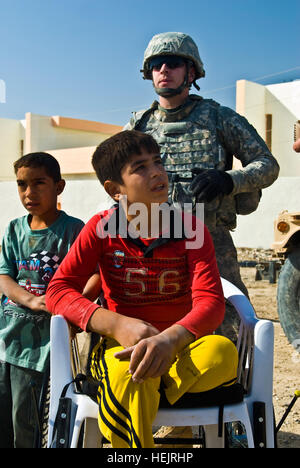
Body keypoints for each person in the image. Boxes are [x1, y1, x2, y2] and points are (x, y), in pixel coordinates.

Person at [46, 130, 238, 448]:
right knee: (131, 374)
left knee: (222, 352)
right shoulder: (100, 229)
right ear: (115, 189)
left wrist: (169, 340)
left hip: (183, 350)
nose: (157, 172)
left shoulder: (192, 229)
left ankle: (151, 387)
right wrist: (116, 324)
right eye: (140, 167)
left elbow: (211, 304)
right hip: (122, 349)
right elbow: (59, 290)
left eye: (158, 162)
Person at [125, 32, 280, 339]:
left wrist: (228, 181)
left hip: (210, 239)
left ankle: (233, 385)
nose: (163, 70)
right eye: (156, 64)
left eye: (173, 63)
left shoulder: (219, 118)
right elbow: (118, 177)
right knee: (154, 322)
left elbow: (267, 164)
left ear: (191, 72)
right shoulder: (138, 125)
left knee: (230, 322)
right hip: (154, 241)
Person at [0, 152, 85, 448]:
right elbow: (4, 276)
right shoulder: (13, 229)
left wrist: (74, 312)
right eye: (22, 184)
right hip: (6, 337)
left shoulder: (74, 231)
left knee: (26, 419)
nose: (28, 193)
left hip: (40, 345)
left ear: (59, 186)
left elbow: (94, 277)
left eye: (38, 183)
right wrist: (32, 300)